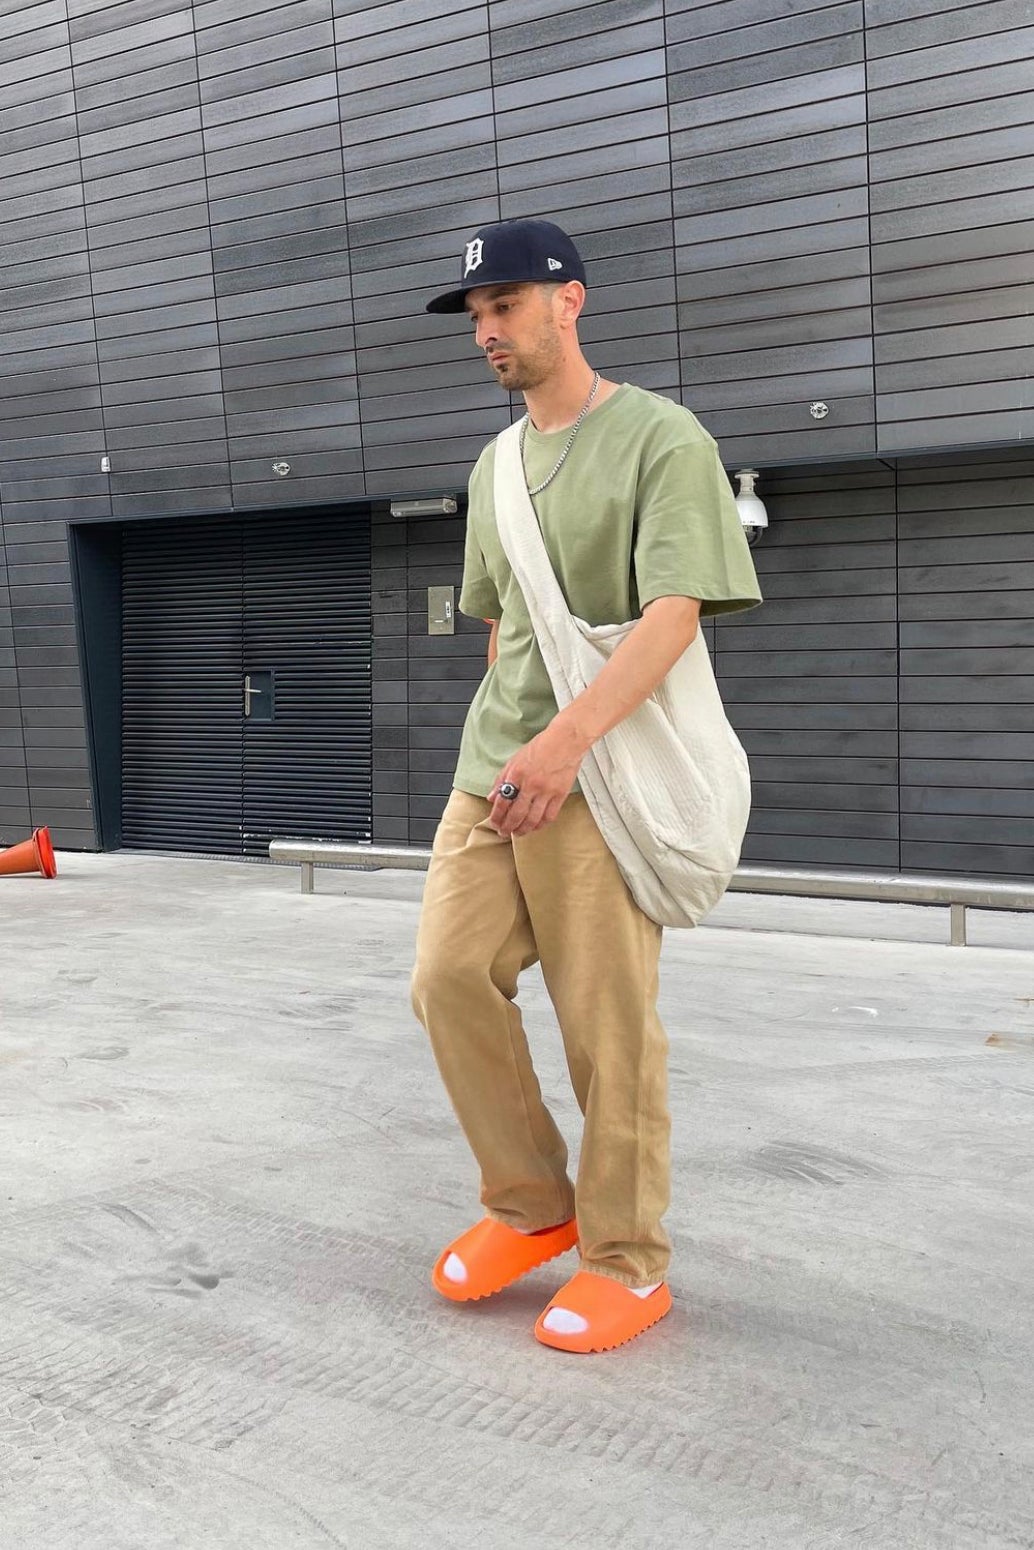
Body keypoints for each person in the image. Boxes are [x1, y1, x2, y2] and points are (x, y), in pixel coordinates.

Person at [411, 218, 762, 1354]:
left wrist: (563, 747)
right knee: (447, 977)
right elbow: (503, 623)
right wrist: (510, 744)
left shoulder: (662, 438)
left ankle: (625, 1258)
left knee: (604, 1024)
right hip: (493, 773)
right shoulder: (492, 464)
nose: (487, 333)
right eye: (475, 316)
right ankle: (531, 1203)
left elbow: (674, 615)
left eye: (504, 305)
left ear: (570, 301)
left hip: (593, 774)